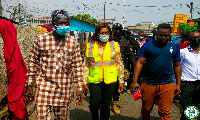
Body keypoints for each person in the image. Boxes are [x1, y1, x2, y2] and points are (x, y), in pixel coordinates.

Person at [25, 10, 84, 119]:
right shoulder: (41, 39)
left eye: (66, 23)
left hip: (63, 90)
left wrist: (79, 88)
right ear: (53, 24)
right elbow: (32, 62)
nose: (63, 26)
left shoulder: (73, 42)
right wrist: (29, 85)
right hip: (43, 88)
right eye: (60, 23)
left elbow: (77, 66)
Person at [130, 23, 182, 120]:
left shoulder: (174, 47)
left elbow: (177, 65)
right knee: (146, 109)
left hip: (167, 84)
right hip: (149, 83)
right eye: (161, 35)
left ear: (170, 35)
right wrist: (135, 81)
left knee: (165, 112)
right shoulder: (147, 45)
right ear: (156, 34)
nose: (163, 37)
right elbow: (139, 63)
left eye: (166, 35)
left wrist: (178, 84)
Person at [83, 23, 124, 120]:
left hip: (110, 80)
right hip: (94, 80)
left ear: (110, 33)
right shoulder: (90, 46)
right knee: (94, 104)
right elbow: (86, 65)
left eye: (107, 32)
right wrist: (84, 82)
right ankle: (95, 117)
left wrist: (121, 80)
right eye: (102, 33)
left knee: (106, 106)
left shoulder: (115, 45)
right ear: (97, 33)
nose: (105, 35)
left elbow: (119, 63)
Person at [179, 30, 200, 120]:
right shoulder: (183, 52)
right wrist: (177, 83)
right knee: (186, 105)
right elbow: (176, 67)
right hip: (186, 83)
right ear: (189, 39)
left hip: (199, 83)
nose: (196, 40)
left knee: (196, 105)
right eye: (193, 38)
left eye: (198, 37)